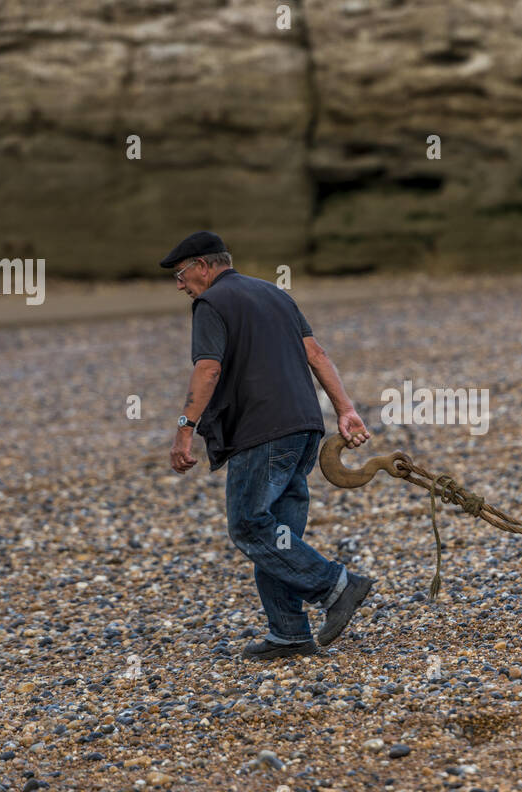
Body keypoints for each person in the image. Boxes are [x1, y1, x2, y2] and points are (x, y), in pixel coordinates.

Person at [160, 231, 374, 659]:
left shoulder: (211, 304)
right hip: (304, 427)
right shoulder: (275, 295)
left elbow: (207, 370)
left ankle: (337, 585)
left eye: (182, 274)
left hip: (262, 431)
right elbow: (316, 354)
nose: (179, 285)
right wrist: (345, 409)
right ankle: (289, 632)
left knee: (248, 524)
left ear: (203, 266)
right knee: (280, 534)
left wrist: (185, 430)